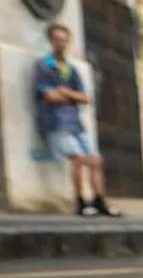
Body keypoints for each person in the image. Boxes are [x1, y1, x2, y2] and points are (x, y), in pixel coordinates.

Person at [33, 23, 120, 217]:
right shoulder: (44, 65)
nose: (61, 44)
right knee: (78, 159)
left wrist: (66, 92)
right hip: (56, 122)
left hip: (75, 123)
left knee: (95, 160)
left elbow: (86, 98)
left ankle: (100, 200)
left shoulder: (70, 68)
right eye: (57, 40)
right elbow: (49, 96)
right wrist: (71, 96)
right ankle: (81, 201)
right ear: (50, 41)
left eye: (64, 40)